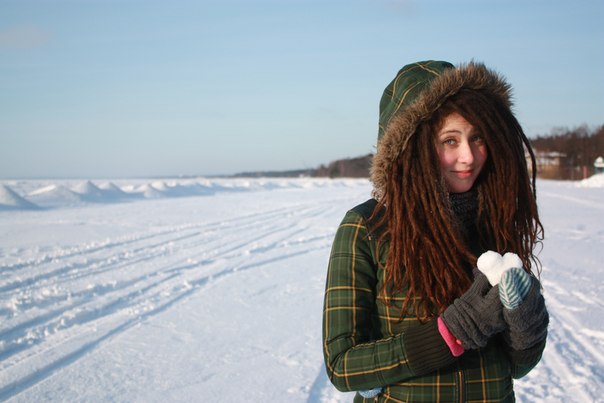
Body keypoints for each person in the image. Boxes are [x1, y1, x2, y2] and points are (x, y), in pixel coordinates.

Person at [322, 60, 549, 402]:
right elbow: (342, 366)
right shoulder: (368, 227)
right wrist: (452, 332)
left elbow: (516, 367)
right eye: (450, 140)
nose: (468, 156)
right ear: (412, 147)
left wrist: (527, 325)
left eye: (478, 137)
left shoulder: (495, 220)